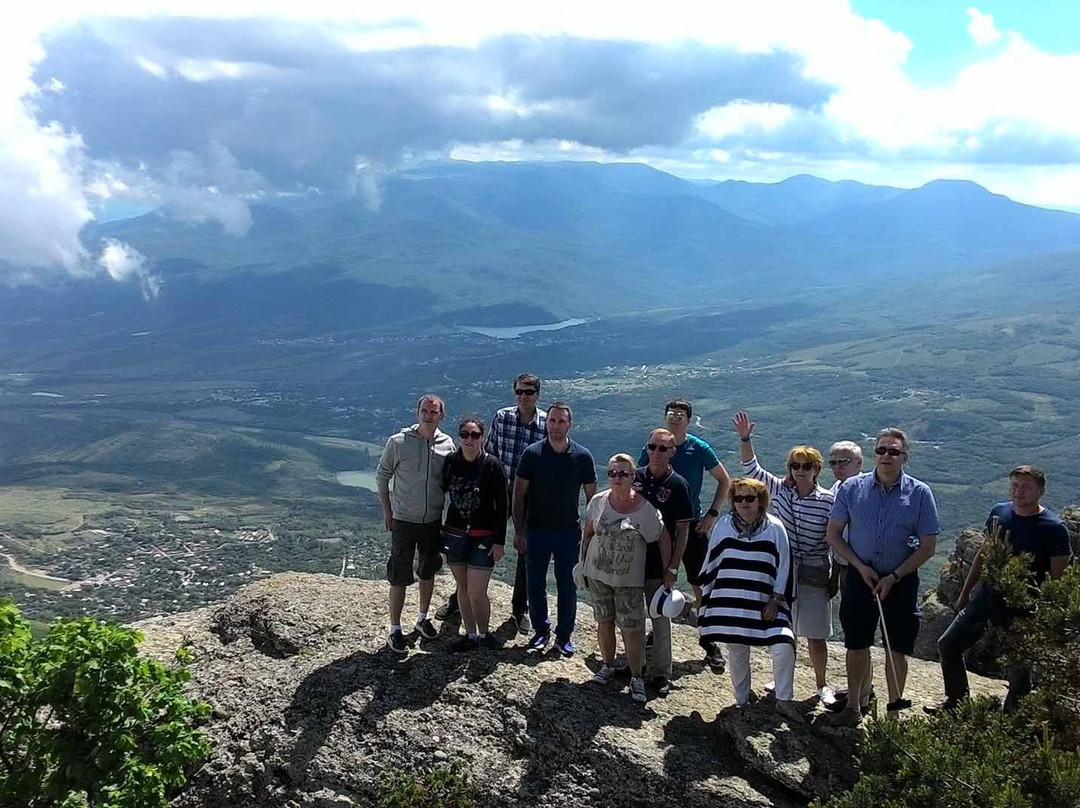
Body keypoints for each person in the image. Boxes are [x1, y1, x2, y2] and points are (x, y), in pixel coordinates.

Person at [929, 465, 1071, 714]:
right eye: (1015, 486)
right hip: (987, 596)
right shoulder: (999, 513)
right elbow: (984, 555)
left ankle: (1011, 719)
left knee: (1020, 668)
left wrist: (1047, 617)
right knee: (949, 645)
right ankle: (956, 704)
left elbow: (1058, 577)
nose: (1019, 492)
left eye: (1026, 487)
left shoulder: (1054, 528)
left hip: (1024, 605)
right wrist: (965, 593)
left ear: (1041, 492)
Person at [825, 428, 941, 726]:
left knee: (896, 648)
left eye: (893, 452)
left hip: (900, 582)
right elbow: (834, 534)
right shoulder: (852, 488)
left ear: (905, 457)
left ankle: (893, 712)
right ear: (874, 454)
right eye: (881, 451)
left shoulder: (919, 493)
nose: (886, 456)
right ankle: (853, 706)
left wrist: (894, 576)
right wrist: (858, 567)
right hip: (859, 577)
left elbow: (928, 546)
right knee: (856, 643)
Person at [732, 412, 838, 706]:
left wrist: (835, 577)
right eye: (795, 465)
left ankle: (821, 685)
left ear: (817, 469)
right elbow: (751, 469)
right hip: (783, 569)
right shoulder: (778, 490)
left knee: (815, 634)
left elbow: (837, 541)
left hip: (816, 569)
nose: (800, 471)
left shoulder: (829, 500)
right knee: (783, 628)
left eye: (806, 466)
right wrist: (745, 438)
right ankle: (782, 679)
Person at [437, 372, 546, 633]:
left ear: (537, 395)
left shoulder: (545, 424)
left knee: (525, 549)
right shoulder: (502, 417)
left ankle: (520, 609)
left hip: (528, 495)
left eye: (529, 392)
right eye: (519, 392)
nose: (523, 397)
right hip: (496, 490)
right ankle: (458, 600)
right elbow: (489, 454)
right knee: (469, 542)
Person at [698, 477, 801, 723]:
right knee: (737, 651)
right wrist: (707, 602)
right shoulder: (723, 526)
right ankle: (742, 700)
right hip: (730, 601)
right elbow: (712, 562)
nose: (744, 503)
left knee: (784, 644)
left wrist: (776, 600)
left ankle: (784, 700)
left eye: (750, 498)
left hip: (765, 603)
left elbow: (784, 565)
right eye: (739, 498)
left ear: (760, 501)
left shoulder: (775, 528)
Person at [638, 399, 731, 672]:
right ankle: (657, 632)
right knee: (656, 580)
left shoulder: (698, 448)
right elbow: (638, 477)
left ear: (688, 420)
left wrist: (712, 514)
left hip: (690, 526)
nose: (675, 417)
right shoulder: (656, 445)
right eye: (671, 413)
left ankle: (710, 640)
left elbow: (724, 480)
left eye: (681, 414)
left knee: (699, 584)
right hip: (654, 527)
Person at [583, 454, 670, 704]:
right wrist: (582, 565)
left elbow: (661, 537)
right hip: (599, 575)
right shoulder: (599, 501)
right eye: (612, 473)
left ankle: (636, 676)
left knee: (632, 630)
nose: (617, 478)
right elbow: (588, 532)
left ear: (633, 477)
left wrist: (669, 570)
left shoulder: (644, 508)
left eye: (623, 473)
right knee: (604, 621)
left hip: (629, 580)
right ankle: (608, 665)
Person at [514, 401, 597, 656]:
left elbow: (593, 499)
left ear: (570, 424)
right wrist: (519, 531)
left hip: (568, 532)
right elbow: (518, 494)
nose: (556, 425)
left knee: (567, 585)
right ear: (546, 422)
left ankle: (563, 636)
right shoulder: (532, 454)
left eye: (561, 421)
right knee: (535, 583)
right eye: (552, 420)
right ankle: (541, 631)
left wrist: (590, 534)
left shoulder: (582, 456)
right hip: (536, 530)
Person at [375, 394, 455, 655]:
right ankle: (395, 629)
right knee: (399, 575)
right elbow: (382, 475)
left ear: (441, 415)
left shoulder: (447, 444)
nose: (428, 415)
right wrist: (388, 511)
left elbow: (452, 481)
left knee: (427, 570)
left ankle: (422, 618)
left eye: (433, 411)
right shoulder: (399, 442)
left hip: (432, 520)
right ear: (417, 412)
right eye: (424, 410)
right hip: (403, 519)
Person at [440, 417, 509, 652]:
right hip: (455, 533)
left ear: (483, 437)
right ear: (459, 436)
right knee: (462, 586)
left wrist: (499, 541)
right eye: (465, 434)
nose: (470, 439)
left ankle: (484, 632)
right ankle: (470, 635)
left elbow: (503, 507)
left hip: (483, 535)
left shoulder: (493, 466)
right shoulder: (450, 462)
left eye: (475, 435)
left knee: (476, 591)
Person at [633, 428, 691, 697]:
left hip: (659, 562)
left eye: (663, 448)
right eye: (652, 447)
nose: (656, 452)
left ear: (672, 452)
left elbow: (682, 530)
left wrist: (673, 566)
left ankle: (661, 673)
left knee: (659, 619)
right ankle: (636, 666)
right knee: (631, 617)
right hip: (631, 560)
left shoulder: (678, 484)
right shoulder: (635, 477)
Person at [825, 440, 868, 713]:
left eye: (844, 461)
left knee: (859, 635)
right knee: (855, 632)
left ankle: (863, 696)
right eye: (834, 462)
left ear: (859, 464)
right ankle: (860, 689)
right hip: (844, 567)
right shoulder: (838, 488)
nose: (838, 467)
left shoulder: (866, 492)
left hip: (861, 569)